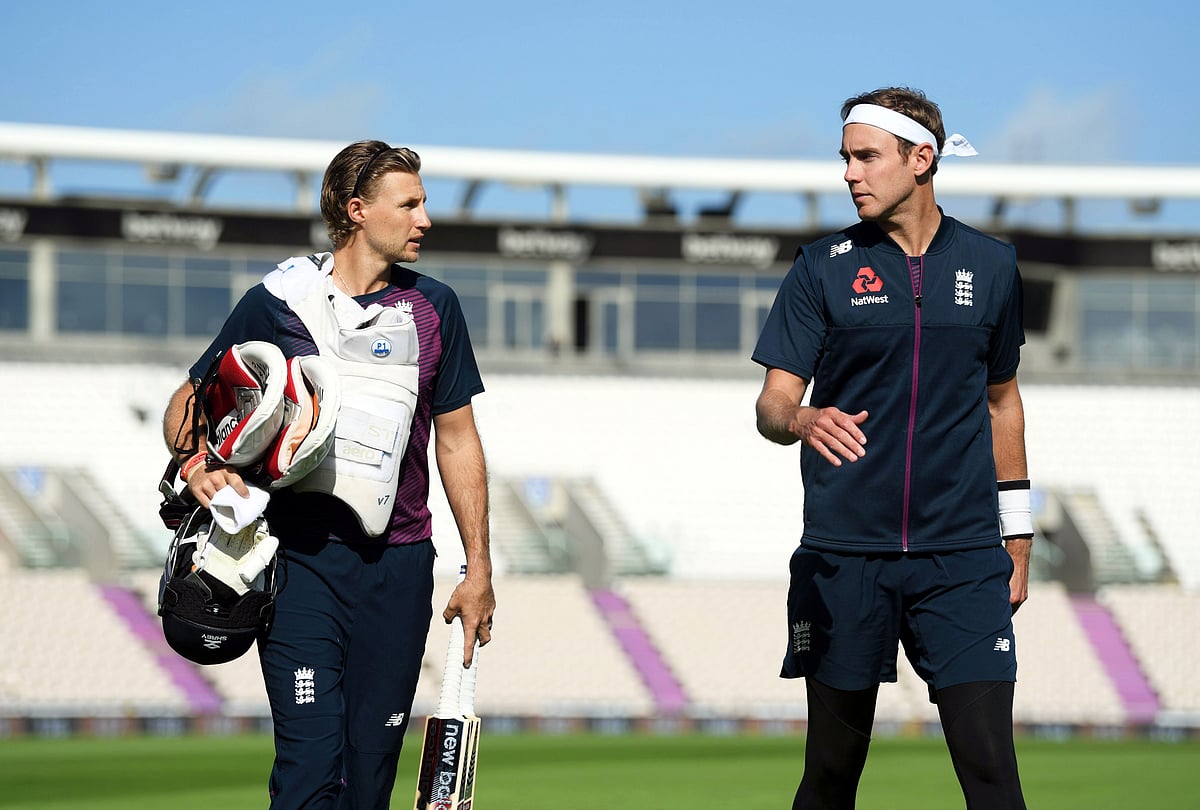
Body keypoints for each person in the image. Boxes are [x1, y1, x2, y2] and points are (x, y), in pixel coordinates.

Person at [161, 140, 496, 809]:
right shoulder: (279, 300)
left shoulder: (437, 308)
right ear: (357, 210)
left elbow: (458, 441)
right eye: (409, 204)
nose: (425, 219)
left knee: (369, 780)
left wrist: (478, 568)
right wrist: (196, 463)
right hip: (300, 564)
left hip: (400, 569)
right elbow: (187, 403)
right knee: (310, 766)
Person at [752, 87, 1032, 809]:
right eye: (845, 158)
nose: (850, 173)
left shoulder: (993, 266)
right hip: (844, 557)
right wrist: (803, 419)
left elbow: (1003, 401)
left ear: (921, 159)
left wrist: (1019, 536)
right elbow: (772, 405)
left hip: (962, 559)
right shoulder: (821, 266)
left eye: (866, 157)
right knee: (831, 775)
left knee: (993, 773)